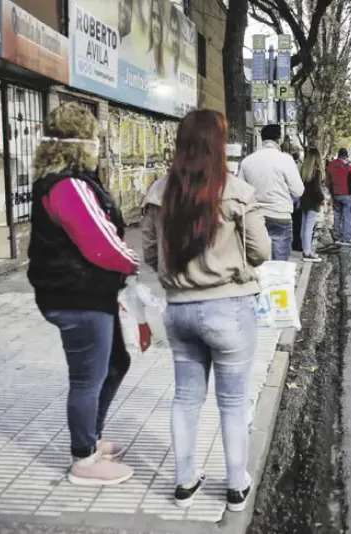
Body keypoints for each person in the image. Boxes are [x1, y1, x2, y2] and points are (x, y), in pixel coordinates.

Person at [142, 110, 271, 511]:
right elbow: (261, 251)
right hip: (229, 309)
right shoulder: (236, 191)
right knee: (232, 403)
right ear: (218, 146)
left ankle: (185, 483)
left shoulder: (158, 192)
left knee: (185, 399)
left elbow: (150, 253)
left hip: (178, 311)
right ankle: (235, 487)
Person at [27, 102, 141, 486]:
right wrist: (134, 264)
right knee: (88, 379)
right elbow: (100, 245)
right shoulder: (69, 186)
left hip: (82, 293)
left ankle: (90, 438)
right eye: (95, 137)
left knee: (114, 364)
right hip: (78, 297)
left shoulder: (61, 180)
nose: (99, 144)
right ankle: (84, 460)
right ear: (83, 141)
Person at [237, 124, 304, 261]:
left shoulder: (247, 161)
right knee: (279, 264)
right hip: (280, 215)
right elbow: (298, 190)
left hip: (255, 216)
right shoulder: (286, 160)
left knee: (258, 262)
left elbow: (240, 191)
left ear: (262, 139)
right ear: (278, 139)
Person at [326, 148, 351, 246]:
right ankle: (346, 238)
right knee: (347, 216)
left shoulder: (331, 165)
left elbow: (327, 181)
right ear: (346, 155)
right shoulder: (349, 166)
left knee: (337, 215)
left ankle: (336, 235)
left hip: (336, 194)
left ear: (338, 155)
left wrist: (331, 191)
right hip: (347, 194)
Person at [300, 147, 326, 262]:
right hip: (313, 202)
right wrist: (322, 198)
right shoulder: (318, 171)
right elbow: (317, 189)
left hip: (304, 201)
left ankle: (305, 250)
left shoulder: (304, 170)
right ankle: (307, 253)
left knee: (304, 227)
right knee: (309, 228)